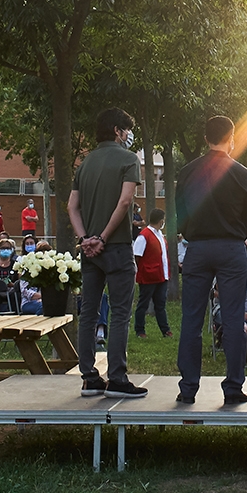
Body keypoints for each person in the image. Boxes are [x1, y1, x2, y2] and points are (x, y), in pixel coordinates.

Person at [173, 114, 247, 406]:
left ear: (205, 138)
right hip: (232, 248)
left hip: (197, 247)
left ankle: (188, 388)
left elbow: (179, 211)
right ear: (231, 138)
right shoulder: (242, 173)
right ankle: (233, 387)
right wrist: (237, 234)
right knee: (234, 319)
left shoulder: (187, 171)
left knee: (192, 319)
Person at [69, 107, 149, 399]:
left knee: (88, 313)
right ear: (117, 130)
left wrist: (85, 239)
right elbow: (126, 201)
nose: (128, 135)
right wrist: (103, 236)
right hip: (115, 247)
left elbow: (71, 207)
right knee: (119, 314)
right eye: (126, 130)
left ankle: (89, 377)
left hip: (89, 251)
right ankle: (117, 377)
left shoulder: (85, 163)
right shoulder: (128, 160)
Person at [132, 218, 171, 338]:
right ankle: (140, 330)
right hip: (149, 276)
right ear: (160, 221)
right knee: (143, 304)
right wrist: (144, 270)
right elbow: (137, 255)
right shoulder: (144, 236)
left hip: (161, 275)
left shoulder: (159, 234)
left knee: (160, 305)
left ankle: (165, 330)